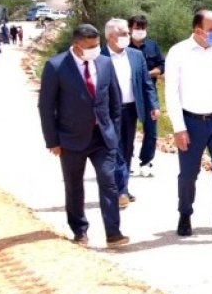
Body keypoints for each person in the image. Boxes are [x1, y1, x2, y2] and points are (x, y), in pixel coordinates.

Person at [37, 24, 128, 248]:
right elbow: (46, 107)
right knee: (74, 186)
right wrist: (53, 141)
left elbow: (115, 102)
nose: (96, 49)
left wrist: (114, 134)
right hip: (71, 139)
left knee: (109, 183)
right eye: (91, 46)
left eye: (97, 44)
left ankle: (113, 233)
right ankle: (80, 230)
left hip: (102, 138)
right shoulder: (56, 66)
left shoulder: (105, 63)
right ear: (77, 45)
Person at [164, 9, 212, 245]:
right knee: (188, 175)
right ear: (198, 30)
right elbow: (171, 93)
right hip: (191, 122)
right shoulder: (178, 52)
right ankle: (185, 214)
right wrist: (179, 128)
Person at [100, 18, 159, 210]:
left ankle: (122, 187)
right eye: (124, 33)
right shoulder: (99, 56)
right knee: (114, 150)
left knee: (126, 150)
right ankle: (121, 191)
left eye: (127, 33)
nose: (128, 36)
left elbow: (146, 83)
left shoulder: (135, 56)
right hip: (108, 111)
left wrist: (154, 105)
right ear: (110, 36)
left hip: (131, 110)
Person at [128, 14, 165, 177]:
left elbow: (162, 66)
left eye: (143, 28)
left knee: (151, 130)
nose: (140, 31)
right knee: (127, 130)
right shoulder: (124, 46)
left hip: (150, 93)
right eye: (137, 28)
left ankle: (146, 162)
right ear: (130, 29)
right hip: (129, 95)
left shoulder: (152, 46)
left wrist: (146, 73)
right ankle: (126, 161)